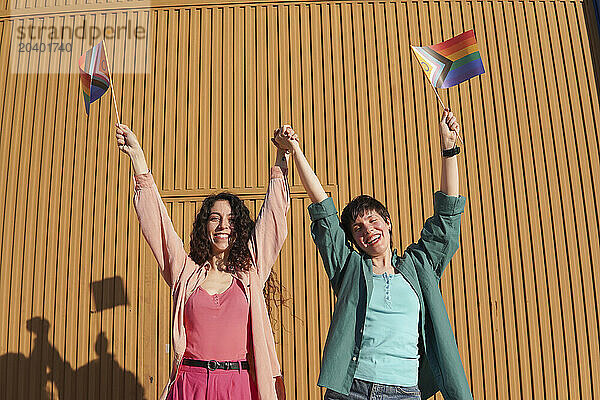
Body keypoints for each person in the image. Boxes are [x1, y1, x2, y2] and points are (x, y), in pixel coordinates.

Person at [279, 109, 473, 399]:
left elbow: (447, 215)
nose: (367, 229)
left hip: (404, 392)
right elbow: (324, 212)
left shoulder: (420, 266)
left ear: (388, 223)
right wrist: (295, 151)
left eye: (373, 220)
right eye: (357, 227)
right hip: (352, 390)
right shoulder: (350, 269)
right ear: (354, 239)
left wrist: (449, 148)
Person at [115, 123, 293, 400]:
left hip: (238, 386)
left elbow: (273, 216)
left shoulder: (251, 272)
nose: (224, 225)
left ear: (241, 228)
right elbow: (158, 226)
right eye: (215, 218)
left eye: (231, 220)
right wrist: (137, 158)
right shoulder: (186, 273)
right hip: (190, 385)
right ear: (204, 227)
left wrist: (282, 156)